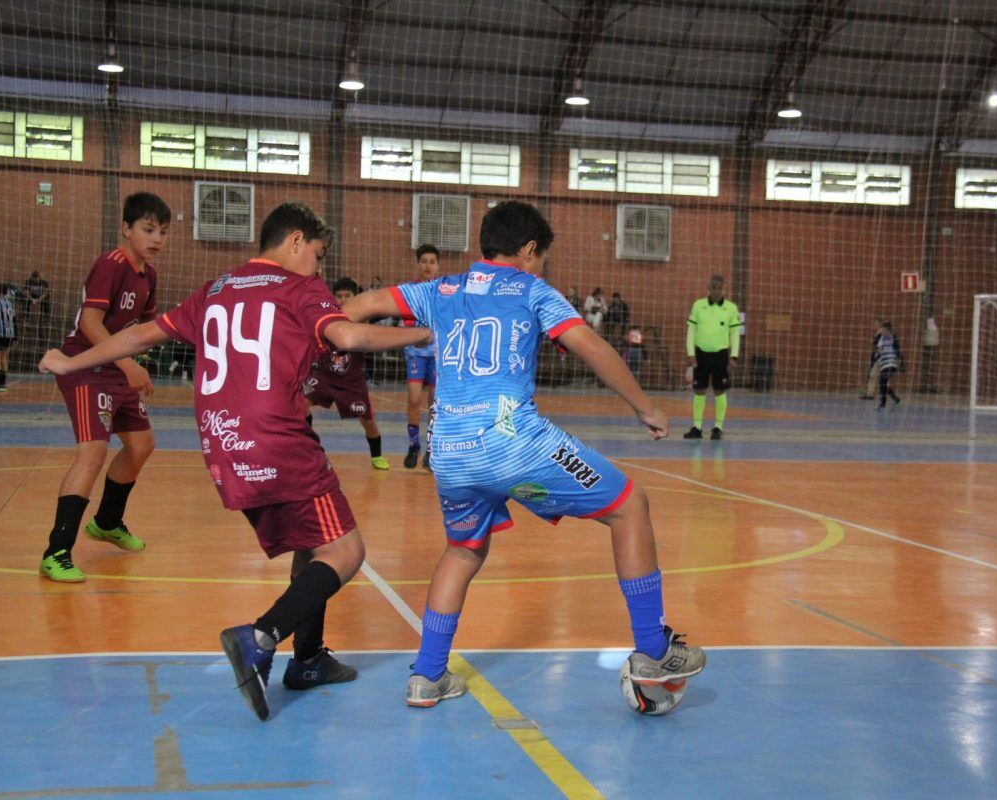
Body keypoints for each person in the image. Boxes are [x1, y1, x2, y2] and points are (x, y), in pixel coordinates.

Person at [40, 201, 432, 721]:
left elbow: (137, 335)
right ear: (295, 242)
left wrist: (70, 360)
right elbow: (351, 336)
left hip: (222, 443)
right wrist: (427, 335)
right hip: (278, 438)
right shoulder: (300, 289)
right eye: (316, 254)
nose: (317, 266)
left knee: (309, 539)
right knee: (346, 552)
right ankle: (262, 636)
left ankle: (309, 658)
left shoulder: (219, 288)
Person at [342, 200, 706, 708]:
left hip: (447, 449)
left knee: (463, 550)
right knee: (629, 506)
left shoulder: (439, 289)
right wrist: (644, 407)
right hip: (512, 440)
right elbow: (593, 348)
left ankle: (427, 676)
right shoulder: (533, 290)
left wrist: (348, 334)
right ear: (529, 251)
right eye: (542, 258)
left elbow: (358, 309)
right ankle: (652, 649)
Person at [35, 193, 168, 583]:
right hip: (87, 366)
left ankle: (107, 522)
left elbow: (141, 329)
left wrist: (138, 362)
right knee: (92, 454)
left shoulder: (150, 275)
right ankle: (56, 551)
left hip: (115, 367)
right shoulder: (110, 265)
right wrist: (127, 363)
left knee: (142, 445)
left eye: (162, 231)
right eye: (147, 229)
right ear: (126, 229)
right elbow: (92, 323)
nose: (156, 237)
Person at [303, 277, 390, 470]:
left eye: (347, 296)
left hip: (351, 380)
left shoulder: (362, 317)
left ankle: (376, 455)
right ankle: (309, 447)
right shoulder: (325, 315)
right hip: (325, 375)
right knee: (301, 404)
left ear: (355, 297)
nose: (343, 300)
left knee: (368, 421)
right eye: (339, 296)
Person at [683, 275, 740, 440]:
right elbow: (691, 331)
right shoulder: (698, 306)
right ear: (708, 288)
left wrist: (734, 356)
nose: (716, 291)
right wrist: (690, 353)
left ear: (724, 289)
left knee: (719, 390)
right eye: (713, 287)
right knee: (699, 390)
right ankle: (697, 427)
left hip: (721, 355)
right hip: (701, 354)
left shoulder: (731, 308)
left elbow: (735, 334)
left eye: (719, 288)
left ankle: (718, 427)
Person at [402, 244, 439, 470]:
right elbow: (406, 320)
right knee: (414, 398)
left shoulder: (443, 291)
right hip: (416, 353)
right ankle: (413, 445)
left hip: (437, 355)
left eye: (432, 262)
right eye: (424, 261)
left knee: (435, 403)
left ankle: (431, 450)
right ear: (418, 264)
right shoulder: (411, 290)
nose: (427, 265)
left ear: (437, 266)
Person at [874, 321, 902, 410]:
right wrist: (875, 358)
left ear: (889, 331)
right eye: (882, 330)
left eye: (885, 330)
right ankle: (896, 399)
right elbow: (879, 349)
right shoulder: (881, 338)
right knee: (883, 384)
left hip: (891, 364)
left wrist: (901, 363)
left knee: (882, 381)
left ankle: (882, 404)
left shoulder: (893, 339)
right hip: (883, 364)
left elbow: (898, 352)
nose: (883, 331)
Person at [860, 318, 884, 400]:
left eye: (876, 323)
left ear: (879, 324)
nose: (874, 325)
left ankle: (881, 394)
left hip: (880, 357)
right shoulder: (877, 333)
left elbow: (880, 347)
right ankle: (870, 394)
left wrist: (877, 355)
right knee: (872, 375)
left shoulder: (882, 334)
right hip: (876, 356)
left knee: (880, 376)